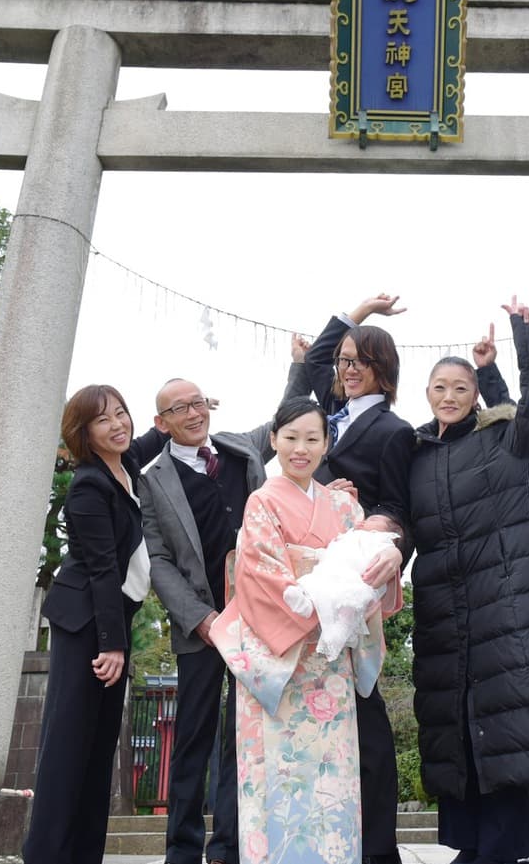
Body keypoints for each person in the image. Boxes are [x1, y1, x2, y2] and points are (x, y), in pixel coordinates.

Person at [408, 299, 529, 864]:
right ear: (428, 393)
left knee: (508, 721)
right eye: (441, 386)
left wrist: (520, 339)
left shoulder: (504, 438)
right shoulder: (413, 453)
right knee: (457, 727)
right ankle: (469, 846)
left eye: (461, 387)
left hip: (506, 607)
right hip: (443, 609)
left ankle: (502, 847)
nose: (450, 395)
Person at [208, 396, 403, 864]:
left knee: (332, 782)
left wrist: (390, 557)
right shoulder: (262, 501)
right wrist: (323, 596)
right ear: (273, 440)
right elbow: (260, 578)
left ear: (326, 443)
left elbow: (370, 565)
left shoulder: (344, 506)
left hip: (330, 662)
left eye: (312, 438)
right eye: (290, 437)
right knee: (278, 778)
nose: (301, 448)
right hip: (283, 658)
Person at [290, 293, 416, 864]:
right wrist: (358, 310)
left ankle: (378, 850)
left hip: (350, 581)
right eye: (343, 360)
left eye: (358, 360)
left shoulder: (395, 431)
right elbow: (315, 358)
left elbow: (402, 507)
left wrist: (372, 517)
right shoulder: (321, 420)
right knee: (309, 707)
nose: (344, 368)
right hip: (302, 575)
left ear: (382, 370)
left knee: (363, 705)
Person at [139, 377, 280, 864]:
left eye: (198, 402)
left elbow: (287, 417)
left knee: (244, 737)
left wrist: (305, 361)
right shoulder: (152, 478)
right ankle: (182, 849)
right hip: (201, 625)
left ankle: (230, 848)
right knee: (194, 737)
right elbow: (157, 558)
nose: (194, 414)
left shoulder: (241, 450)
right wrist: (199, 619)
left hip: (257, 620)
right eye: (180, 409)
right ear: (162, 424)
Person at [23, 384, 157, 864]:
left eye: (121, 413)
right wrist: (112, 644)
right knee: (68, 742)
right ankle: (45, 855)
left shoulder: (125, 468)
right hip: (85, 624)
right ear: (84, 432)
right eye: (104, 420)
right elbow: (101, 568)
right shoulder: (88, 484)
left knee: (100, 747)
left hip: (110, 618)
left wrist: (185, 411)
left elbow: (152, 436)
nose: (118, 424)